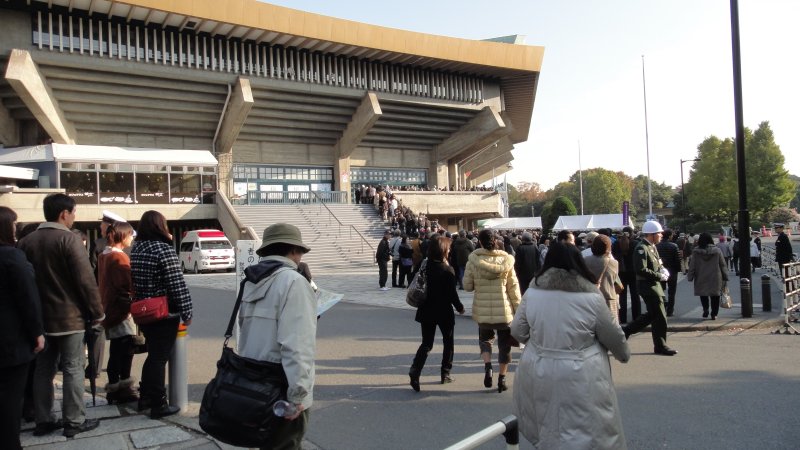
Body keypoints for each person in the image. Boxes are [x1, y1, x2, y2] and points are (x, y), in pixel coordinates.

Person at [511, 242, 629, 449]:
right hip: (582, 369)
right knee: (587, 426)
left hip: (538, 366)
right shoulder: (591, 296)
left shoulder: (533, 292)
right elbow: (612, 334)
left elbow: (517, 331)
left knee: (546, 423)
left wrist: (541, 342)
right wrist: (623, 354)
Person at [17, 193, 104, 437]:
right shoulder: (69, 239)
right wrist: (97, 311)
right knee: (73, 368)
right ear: (64, 214)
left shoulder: (26, 242)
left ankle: (43, 419)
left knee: (43, 370)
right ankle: (74, 420)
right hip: (70, 317)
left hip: (40, 319)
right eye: (73, 213)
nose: (74, 217)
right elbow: (86, 280)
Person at [238, 223, 317, 449]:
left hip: (254, 381)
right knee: (285, 443)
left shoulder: (251, 280)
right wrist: (298, 395)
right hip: (282, 387)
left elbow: (245, 328)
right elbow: (297, 345)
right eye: (300, 252)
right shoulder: (294, 282)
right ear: (293, 250)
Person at [130, 210, 192, 419]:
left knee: (153, 355)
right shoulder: (163, 249)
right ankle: (158, 404)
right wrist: (187, 311)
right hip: (163, 312)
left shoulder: (137, 248)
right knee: (159, 358)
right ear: (160, 226)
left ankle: (146, 397)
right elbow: (177, 284)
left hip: (143, 311)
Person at [0, 206, 45, 450]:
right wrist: (37, 333)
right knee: (10, 398)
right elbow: (28, 299)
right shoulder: (11, 257)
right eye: (13, 224)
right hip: (11, 340)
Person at [463, 229, 522, 393]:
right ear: (495, 241)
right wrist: (519, 309)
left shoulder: (473, 260)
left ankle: (488, 366)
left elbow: (467, 286)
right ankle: (502, 378)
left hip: (482, 310)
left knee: (485, 340)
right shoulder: (506, 260)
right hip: (504, 310)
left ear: (480, 242)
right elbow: (513, 289)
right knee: (505, 345)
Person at [408, 234, 465, 391]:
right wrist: (460, 307)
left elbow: (413, 279)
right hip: (444, 311)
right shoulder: (447, 270)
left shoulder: (424, 265)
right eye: (448, 249)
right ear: (443, 251)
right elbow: (452, 294)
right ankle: (445, 373)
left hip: (426, 309)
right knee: (448, 342)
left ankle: (415, 370)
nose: (449, 251)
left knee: (427, 343)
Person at [97, 221, 139, 404]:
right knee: (125, 351)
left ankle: (114, 388)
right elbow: (124, 287)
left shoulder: (104, 255)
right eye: (130, 234)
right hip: (121, 310)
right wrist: (130, 307)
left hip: (109, 308)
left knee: (116, 350)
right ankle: (122, 389)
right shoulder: (119, 257)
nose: (132, 238)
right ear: (122, 236)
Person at [622, 221, 677, 356]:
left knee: (653, 315)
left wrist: (663, 270)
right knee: (660, 317)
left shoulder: (652, 247)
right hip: (648, 286)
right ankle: (660, 346)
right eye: (659, 233)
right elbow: (641, 269)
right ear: (652, 234)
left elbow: (657, 264)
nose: (661, 235)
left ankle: (626, 331)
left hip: (654, 286)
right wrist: (659, 276)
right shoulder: (642, 248)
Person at [687, 232, 729, 320]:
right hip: (715, 276)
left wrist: (690, 276)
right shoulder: (717, 250)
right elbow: (722, 264)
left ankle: (705, 309)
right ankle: (714, 314)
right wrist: (725, 276)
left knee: (703, 294)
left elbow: (692, 265)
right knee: (715, 295)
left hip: (701, 275)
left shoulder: (696, 251)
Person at [584, 234, 622, 324]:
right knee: (610, 329)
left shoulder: (585, 260)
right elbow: (616, 283)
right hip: (608, 299)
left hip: (589, 299)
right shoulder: (614, 263)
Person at [612, 226, 640, 323]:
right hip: (633, 271)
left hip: (621, 272)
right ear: (632, 234)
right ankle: (636, 317)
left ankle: (622, 318)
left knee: (622, 296)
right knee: (635, 295)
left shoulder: (616, 244)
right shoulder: (636, 243)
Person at [656, 229, 681, 317]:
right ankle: (670, 310)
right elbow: (677, 260)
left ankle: (663, 305)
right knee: (672, 292)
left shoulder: (656, 246)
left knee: (660, 290)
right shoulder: (674, 246)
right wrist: (678, 269)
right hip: (672, 270)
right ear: (670, 236)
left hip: (660, 270)